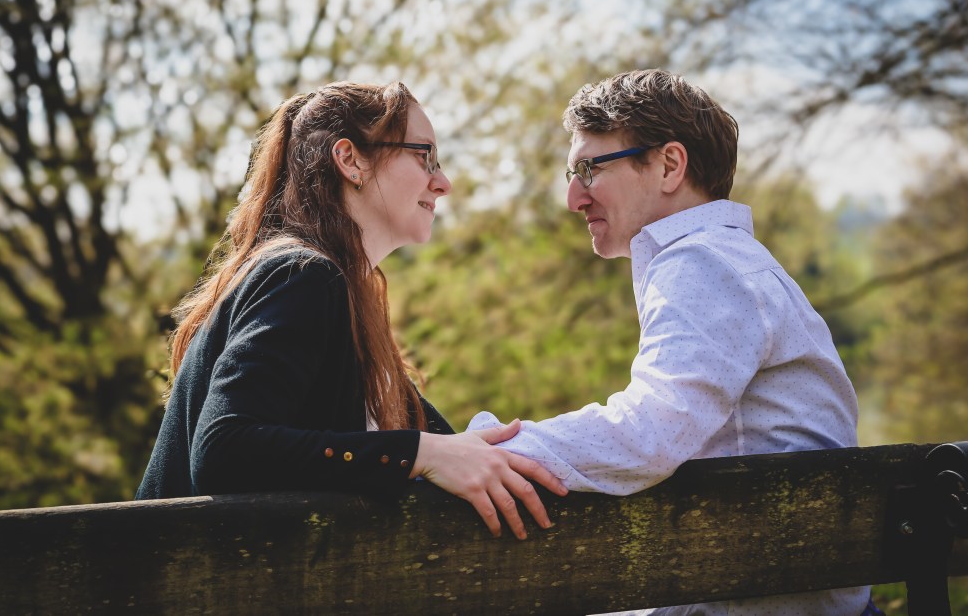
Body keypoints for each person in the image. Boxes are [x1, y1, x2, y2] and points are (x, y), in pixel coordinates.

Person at [469, 69, 873, 612]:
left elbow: (651, 432)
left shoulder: (701, 263)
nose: (573, 198)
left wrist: (488, 450)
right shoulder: (728, 259)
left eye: (590, 168)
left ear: (668, 166)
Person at [136, 81, 567, 541]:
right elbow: (225, 451)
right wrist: (419, 454)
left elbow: (444, 449)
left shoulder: (342, 300)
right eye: (425, 156)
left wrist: (459, 451)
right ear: (351, 161)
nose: (443, 183)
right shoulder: (300, 277)